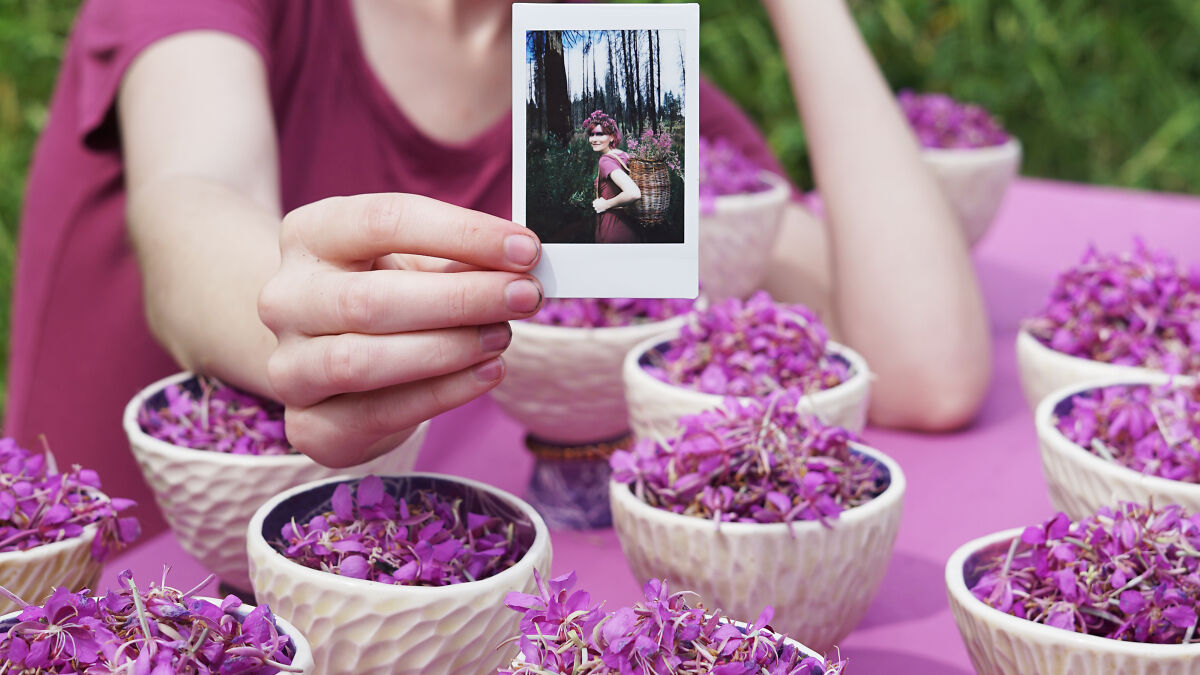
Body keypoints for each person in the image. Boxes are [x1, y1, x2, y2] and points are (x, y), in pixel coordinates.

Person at [5, 0, 990, 534]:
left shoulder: (597, 51)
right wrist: (293, 309)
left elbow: (923, 368)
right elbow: (190, 204)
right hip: (109, 601)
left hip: (398, 605)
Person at [586, 111, 641, 244]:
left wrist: (606, 204)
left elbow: (634, 193)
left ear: (612, 137)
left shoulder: (605, 161)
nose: (594, 139)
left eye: (600, 134)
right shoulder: (623, 155)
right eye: (591, 134)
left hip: (612, 231)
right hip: (630, 229)